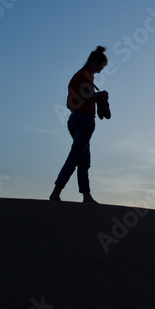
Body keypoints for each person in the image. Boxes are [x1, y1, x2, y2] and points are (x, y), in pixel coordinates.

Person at [50, 46, 109, 203]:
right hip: (84, 119)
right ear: (94, 62)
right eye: (101, 67)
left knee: (84, 159)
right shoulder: (84, 76)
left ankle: (86, 195)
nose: (100, 71)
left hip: (75, 119)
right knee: (75, 157)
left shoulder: (80, 76)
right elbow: (86, 97)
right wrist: (100, 95)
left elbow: (71, 101)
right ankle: (56, 192)